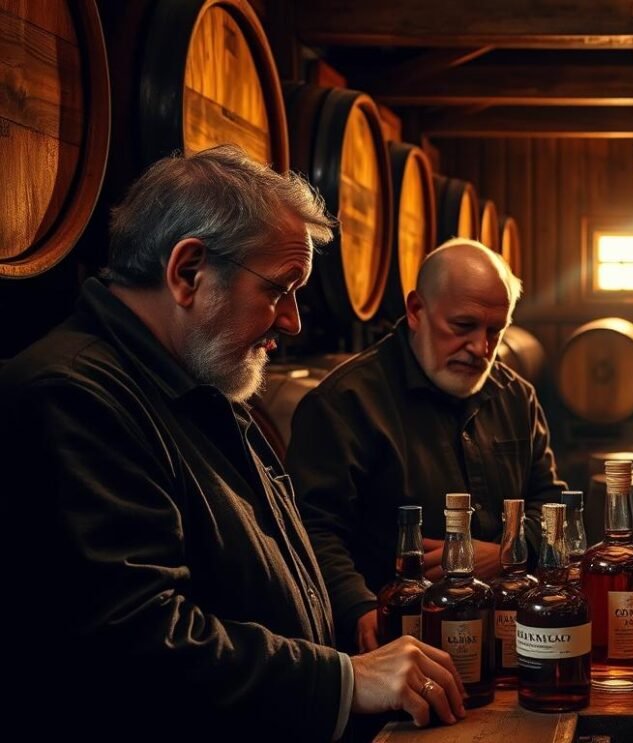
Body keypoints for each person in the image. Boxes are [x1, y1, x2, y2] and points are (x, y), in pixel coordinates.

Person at [0, 145, 469, 739]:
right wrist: (345, 681)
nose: (293, 320)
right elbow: (137, 638)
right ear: (189, 271)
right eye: (279, 289)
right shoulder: (72, 398)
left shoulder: (194, 382)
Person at [288, 238, 565, 654]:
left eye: (495, 331)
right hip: (397, 640)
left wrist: (506, 552)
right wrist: (358, 607)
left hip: (503, 637)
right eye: (463, 326)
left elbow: (549, 504)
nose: (481, 348)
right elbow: (314, 530)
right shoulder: (344, 403)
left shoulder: (515, 396)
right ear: (417, 310)